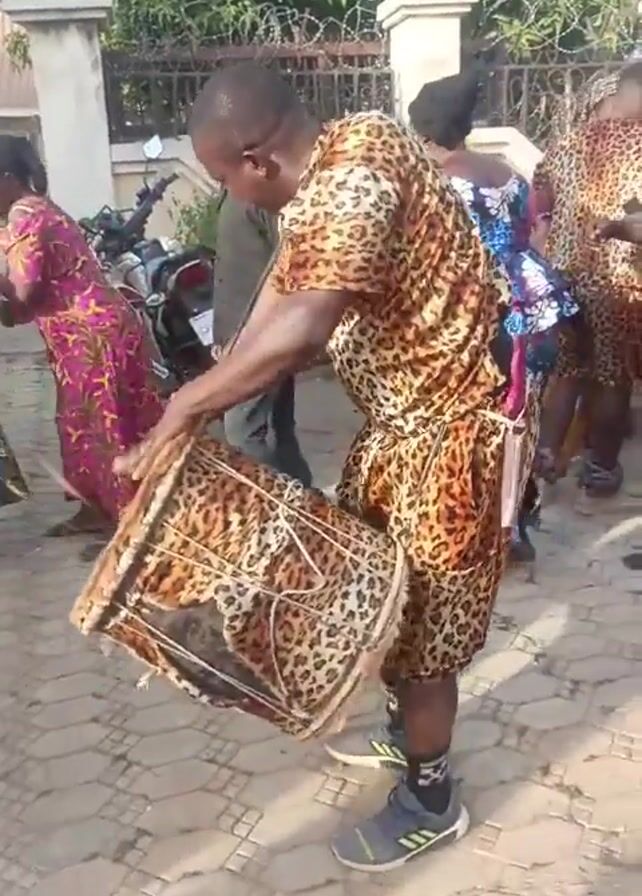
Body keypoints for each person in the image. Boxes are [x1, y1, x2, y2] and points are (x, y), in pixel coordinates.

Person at [116, 63, 512, 872]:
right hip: (399, 431)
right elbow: (281, 289)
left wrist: (187, 406)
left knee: (427, 638)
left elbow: (300, 332)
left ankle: (432, 800)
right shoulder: (337, 160)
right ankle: (408, 738)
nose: (229, 196)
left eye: (224, 180)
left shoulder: (356, 179)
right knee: (388, 599)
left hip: (452, 438)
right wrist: (220, 376)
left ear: (256, 161)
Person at [408, 69, 579, 563]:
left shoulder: (438, 184)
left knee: (473, 423)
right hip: (534, 304)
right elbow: (529, 232)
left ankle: (480, 529)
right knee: (520, 416)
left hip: (478, 310)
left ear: (424, 132)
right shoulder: (507, 173)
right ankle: (517, 522)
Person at [0, 136, 163, 536]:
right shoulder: (36, 209)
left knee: (103, 423)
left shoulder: (25, 214)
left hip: (90, 333)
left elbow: (22, 291)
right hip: (91, 331)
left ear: (6, 179)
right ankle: (97, 509)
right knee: (83, 421)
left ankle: (129, 519)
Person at [532, 63, 642, 495]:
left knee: (566, 370)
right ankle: (600, 470)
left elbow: (541, 203)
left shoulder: (566, 144)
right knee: (613, 376)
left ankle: (545, 457)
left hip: (561, 276)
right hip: (616, 282)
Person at [213, 190, 312, 484]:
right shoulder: (234, 193)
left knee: (242, 430)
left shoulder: (259, 195)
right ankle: (305, 499)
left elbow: (287, 268)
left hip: (263, 339)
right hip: (243, 338)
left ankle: (269, 499)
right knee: (280, 430)